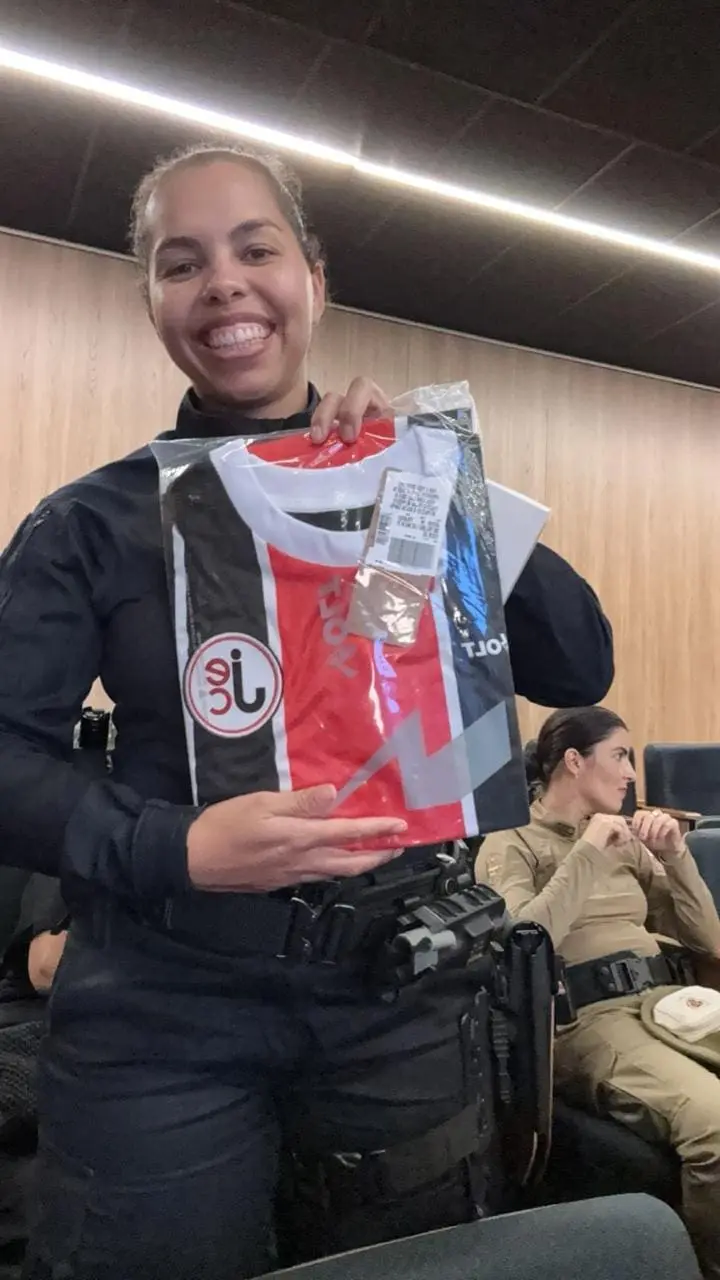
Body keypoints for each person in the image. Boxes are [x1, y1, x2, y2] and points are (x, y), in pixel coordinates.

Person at [0, 143, 613, 1280]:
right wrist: (174, 843)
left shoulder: (411, 485)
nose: (223, 283)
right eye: (181, 263)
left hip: (399, 996)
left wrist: (438, 475)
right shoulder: (95, 523)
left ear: (314, 282)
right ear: (151, 302)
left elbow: (579, 659)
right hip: (165, 1009)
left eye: (256, 248)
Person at [477, 706, 720, 1280]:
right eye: (620, 755)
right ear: (573, 761)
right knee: (715, 1125)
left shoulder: (626, 841)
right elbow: (525, 948)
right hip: (587, 1020)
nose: (631, 772)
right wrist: (587, 853)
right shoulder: (511, 842)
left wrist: (676, 858)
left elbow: (708, 940)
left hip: (667, 1003)